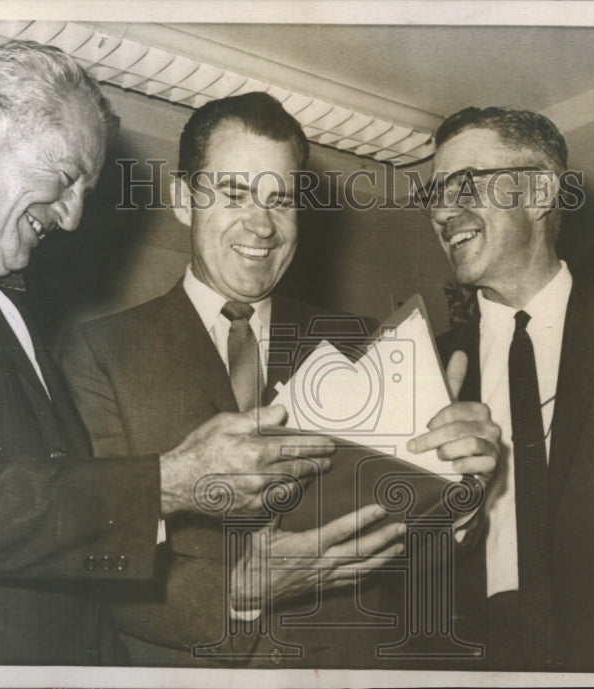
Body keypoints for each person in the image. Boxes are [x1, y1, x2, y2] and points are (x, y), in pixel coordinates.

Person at [0, 41, 335, 666]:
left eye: (87, 187)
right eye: (66, 177)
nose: (75, 216)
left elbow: (48, 508)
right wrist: (170, 481)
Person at [58, 92, 501, 668]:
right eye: (235, 194)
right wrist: (240, 598)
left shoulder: (362, 344)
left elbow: (412, 549)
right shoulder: (99, 353)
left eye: (280, 199)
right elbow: (94, 560)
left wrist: (459, 493)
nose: (260, 225)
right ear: (183, 200)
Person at [422, 107, 594, 671]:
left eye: (466, 183)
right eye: (436, 194)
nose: (445, 211)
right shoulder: (421, 365)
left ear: (540, 191)